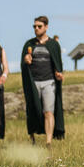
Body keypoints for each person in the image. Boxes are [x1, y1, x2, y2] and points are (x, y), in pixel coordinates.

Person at [20, 15, 63, 146]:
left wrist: (58, 74)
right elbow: (23, 64)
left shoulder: (53, 44)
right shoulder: (29, 44)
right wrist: (26, 61)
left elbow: (57, 63)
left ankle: (48, 142)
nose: (36, 29)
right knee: (32, 110)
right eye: (34, 26)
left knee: (48, 111)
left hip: (49, 82)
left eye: (39, 26)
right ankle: (32, 139)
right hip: (33, 83)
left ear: (46, 27)